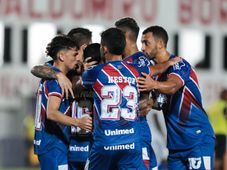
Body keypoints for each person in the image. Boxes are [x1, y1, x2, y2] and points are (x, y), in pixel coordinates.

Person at [137, 26, 215, 170]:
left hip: (197, 140)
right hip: (175, 145)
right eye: (141, 43)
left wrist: (152, 84)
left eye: (146, 43)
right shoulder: (155, 73)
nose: (142, 47)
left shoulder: (179, 64)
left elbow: (173, 86)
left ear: (160, 44)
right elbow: (161, 102)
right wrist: (147, 103)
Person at [82, 27, 149, 170]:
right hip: (131, 143)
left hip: (106, 143)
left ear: (104, 49)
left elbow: (76, 85)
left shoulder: (95, 73)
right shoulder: (135, 72)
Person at [31, 28, 95, 170]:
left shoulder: (55, 74)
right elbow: (51, 113)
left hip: (54, 143)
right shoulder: (56, 80)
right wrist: (78, 122)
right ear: (62, 56)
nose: (76, 57)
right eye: (74, 53)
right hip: (52, 144)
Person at [207, 89, 227, 170]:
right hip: (222, 133)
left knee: (215, 155)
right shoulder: (225, 106)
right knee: (223, 155)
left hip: (213, 134)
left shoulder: (213, 107)